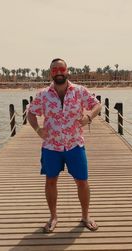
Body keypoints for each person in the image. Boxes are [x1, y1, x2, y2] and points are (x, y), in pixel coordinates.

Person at [27, 58, 101, 233]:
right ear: (50, 73)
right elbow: (30, 113)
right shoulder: (43, 94)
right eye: (54, 70)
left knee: (82, 182)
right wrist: (38, 129)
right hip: (51, 147)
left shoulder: (80, 91)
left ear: (67, 70)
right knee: (50, 181)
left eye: (61, 69)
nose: (58, 72)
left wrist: (89, 116)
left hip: (75, 144)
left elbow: (97, 105)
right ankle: (53, 217)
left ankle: (85, 216)